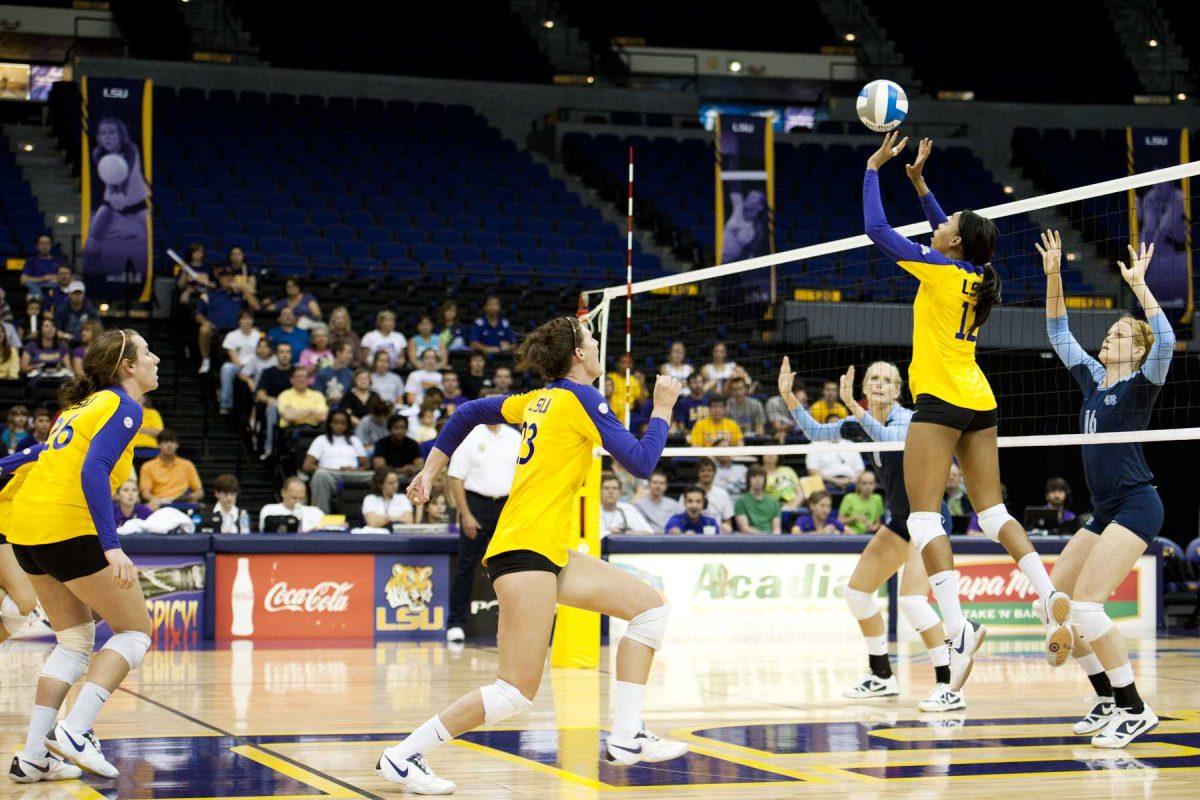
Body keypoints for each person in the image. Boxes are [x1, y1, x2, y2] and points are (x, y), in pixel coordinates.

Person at [379, 316, 686, 793]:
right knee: (514, 693)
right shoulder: (582, 398)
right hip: (525, 552)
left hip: (544, 550)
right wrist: (663, 407)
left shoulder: (539, 400)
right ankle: (403, 755)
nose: (598, 346)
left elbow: (465, 414)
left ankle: (627, 736)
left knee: (649, 611)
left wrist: (431, 469)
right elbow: (643, 462)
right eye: (591, 340)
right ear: (580, 355)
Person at [865, 132, 1064, 688]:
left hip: (941, 399)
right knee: (994, 512)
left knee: (923, 517)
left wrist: (873, 168)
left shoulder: (940, 269)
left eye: (949, 220)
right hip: (980, 398)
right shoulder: (977, 273)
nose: (941, 221)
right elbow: (951, 235)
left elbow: (876, 232)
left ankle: (958, 626)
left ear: (954, 241)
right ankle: (1048, 596)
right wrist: (921, 184)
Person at [1038, 230, 1174, 747]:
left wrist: (1139, 288)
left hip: (1138, 503)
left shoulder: (1144, 381)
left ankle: (1135, 709)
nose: (1108, 340)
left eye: (1119, 336)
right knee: (1054, 605)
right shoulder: (1094, 380)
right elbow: (1058, 334)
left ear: (1135, 351)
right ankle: (1104, 700)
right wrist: (1054, 277)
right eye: (1111, 334)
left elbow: (1167, 341)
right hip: (1103, 509)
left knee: (1089, 608)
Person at [5, 328, 158, 780]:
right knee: (135, 631)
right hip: (67, 527)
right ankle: (76, 728)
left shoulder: (81, 407)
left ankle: (33, 756)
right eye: (147, 353)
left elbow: (41, 451)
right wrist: (112, 546)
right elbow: (94, 469)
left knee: (74, 641)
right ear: (127, 367)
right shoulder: (124, 406)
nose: (155, 360)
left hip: (26, 533)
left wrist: (3, 464)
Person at [781, 356, 963, 710]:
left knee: (912, 601)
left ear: (897, 390)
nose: (879, 384)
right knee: (857, 593)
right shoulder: (858, 423)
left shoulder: (910, 421)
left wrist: (852, 405)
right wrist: (790, 397)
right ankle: (881, 676)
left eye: (886, 380)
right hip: (899, 520)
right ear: (865, 387)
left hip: (928, 519)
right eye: (873, 379)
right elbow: (816, 433)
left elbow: (886, 436)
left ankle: (948, 684)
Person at [444, 411, 521, 643]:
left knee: (513, 567)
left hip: (507, 505)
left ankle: (512, 625)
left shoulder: (514, 436)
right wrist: (465, 514)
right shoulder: (470, 436)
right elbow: (455, 478)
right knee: (466, 565)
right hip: (476, 504)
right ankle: (456, 623)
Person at [0, 445, 44, 649]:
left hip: (22, 535)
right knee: (24, 603)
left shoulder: (90, 464)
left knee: (18, 612)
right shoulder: (43, 451)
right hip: (4, 523)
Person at [303, 409, 371, 513]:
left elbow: (365, 465)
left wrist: (353, 469)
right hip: (330, 476)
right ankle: (321, 515)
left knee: (375, 476)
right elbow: (307, 465)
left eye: (343, 423)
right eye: (336, 423)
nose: (339, 426)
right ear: (330, 424)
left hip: (351, 475)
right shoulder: (321, 440)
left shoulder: (354, 440)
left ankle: (371, 512)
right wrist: (333, 469)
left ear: (348, 424)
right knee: (320, 475)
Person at [197, 266, 259, 375]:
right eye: (225, 277)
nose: (228, 279)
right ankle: (206, 360)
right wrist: (205, 322)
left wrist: (244, 289)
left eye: (231, 277)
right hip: (216, 330)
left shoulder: (240, 295)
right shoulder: (211, 294)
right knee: (204, 329)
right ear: (219, 279)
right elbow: (198, 315)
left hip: (238, 330)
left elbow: (256, 307)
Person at [139, 428, 204, 510]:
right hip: (160, 505)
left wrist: (189, 497)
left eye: (172, 442)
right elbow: (145, 493)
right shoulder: (147, 466)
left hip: (183, 504)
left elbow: (200, 492)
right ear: (158, 444)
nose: (169, 445)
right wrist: (156, 500)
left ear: (177, 445)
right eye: (165, 442)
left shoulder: (187, 465)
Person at [218, 309, 262, 413]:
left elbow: (262, 353)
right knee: (226, 367)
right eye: (244, 319)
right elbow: (233, 357)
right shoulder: (231, 336)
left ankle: (259, 402)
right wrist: (245, 372)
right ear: (239, 321)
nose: (247, 321)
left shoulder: (259, 335)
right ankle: (226, 404)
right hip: (239, 366)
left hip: (255, 365)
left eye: (250, 319)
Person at [677, 456, 734, 532]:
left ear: (714, 473)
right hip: (692, 534)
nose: (706, 473)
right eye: (702, 471)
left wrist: (727, 528)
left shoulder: (723, 494)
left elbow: (728, 522)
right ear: (697, 473)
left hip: (717, 535)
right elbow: (680, 519)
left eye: (709, 470)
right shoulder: (687, 493)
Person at [277, 368, 330, 445]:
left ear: (308, 380)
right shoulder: (284, 395)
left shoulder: (318, 395)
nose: (301, 379)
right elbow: (288, 416)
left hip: (315, 428)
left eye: (304, 377)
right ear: (291, 380)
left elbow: (323, 417)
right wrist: (310, 411)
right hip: (292, 429)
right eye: (298, 376)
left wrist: (296, 412)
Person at [258, 476, 324, 532]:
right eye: (294, 498)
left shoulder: (315, 512)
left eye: (301, 498)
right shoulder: (270, 510)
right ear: (283, 493)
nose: (298, 502)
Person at [633, 469, 683, 534]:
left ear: (666, 486)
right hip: (647, 539)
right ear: (648, 485)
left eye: (661, 483)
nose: (658, 486)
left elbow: (680, 523)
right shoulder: (639, 505)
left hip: (670, 539)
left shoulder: (674, 505)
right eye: (655, 482)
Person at [734, 466, 782, 533]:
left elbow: (777, 529)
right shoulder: (740, 501)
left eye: (761, 477)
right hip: (750, 539)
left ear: (765, 479)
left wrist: (773, 540)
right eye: (754, 477)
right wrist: (764, 537)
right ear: (748, 480)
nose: (758, 480)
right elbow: (744, 528)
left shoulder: (773, 501)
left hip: (771, 539)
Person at [53, 281, 99, 347]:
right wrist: (67, 336)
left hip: (86, 343)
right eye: (75, 293)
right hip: (66, 342)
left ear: (84, 294)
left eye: (80, 293)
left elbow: (97, 328)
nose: (77, 296)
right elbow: (55, 330)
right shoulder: (62, 310)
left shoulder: (90, 310)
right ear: (69, 294)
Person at [21, 234, 67, 299]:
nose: (45, 246)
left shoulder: (59, 261)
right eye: (42, 244)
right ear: (37, 246)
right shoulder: (31, 261)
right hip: (37, 288)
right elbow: (23, 280)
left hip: (54, 286)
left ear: (51, 246)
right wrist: (43, 278)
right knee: (30, 284)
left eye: (47, 244)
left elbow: (69, 277)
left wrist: (57, 277)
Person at [607, 353, 646, 425]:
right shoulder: (610, 378)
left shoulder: (634, 380)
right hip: (609, 414)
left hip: (629, 417)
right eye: (623, 362)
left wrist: (642, 383)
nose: (626, 365)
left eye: (629, 363)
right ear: (617, 364)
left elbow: (643, 402)